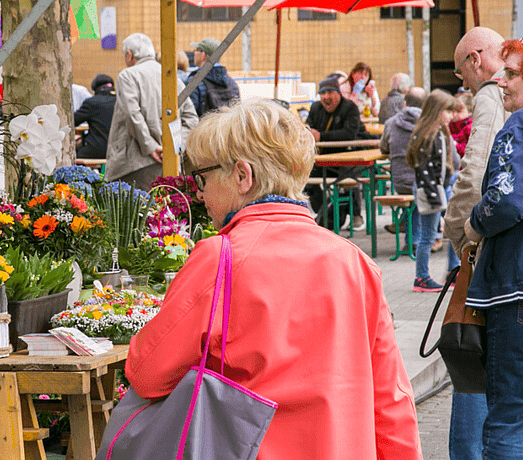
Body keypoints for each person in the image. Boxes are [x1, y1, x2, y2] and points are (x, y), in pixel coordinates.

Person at [126, 100, 421, 459]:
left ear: (241, 175)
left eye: (203, 177)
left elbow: (147, 372)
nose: (199, 193)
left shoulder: (219, 258)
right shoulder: (355, 262)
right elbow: (391, 401)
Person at [443, 27, 508, 459]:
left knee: (468, 349)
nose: (461, 82)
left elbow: (474, 171)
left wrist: (458, 230)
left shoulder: (491, 94)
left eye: (460, 69)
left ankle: (466, 453)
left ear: (477, 59)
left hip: (488, 250)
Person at [461, 38, 523, 459]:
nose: (503, 82)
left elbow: (507, 198)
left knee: (509, 415)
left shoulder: (516, 127)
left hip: (514, 288)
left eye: (514, 74)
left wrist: (473, 224)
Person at [105, 33, 198, 190]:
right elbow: (191, 119)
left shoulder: (127, 76)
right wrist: (174, 146)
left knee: (136, 210)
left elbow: (132, 114)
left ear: (129, 54)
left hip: (134, 162)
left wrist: (151, 147)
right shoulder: (171, 77)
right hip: (169, 161)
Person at [405, 90, 459, 292]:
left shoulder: (438, 131)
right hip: (433, 190)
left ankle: (452, 271)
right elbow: (425, 171)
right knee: (428, 236)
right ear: (437, 110)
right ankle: (421, 277)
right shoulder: (428, 134)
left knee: (452, 229)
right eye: (448, 111)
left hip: (439, 188)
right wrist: (434, 195)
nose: (451, 115)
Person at [305, 74, 365, 229]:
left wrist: (321, 136)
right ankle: (326, 215)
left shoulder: (350, 108)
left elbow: (349, 134)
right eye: (322, 93)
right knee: (307, 181)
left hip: (347, 157)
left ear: (338, 94)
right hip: (323, 159)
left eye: (330, 93)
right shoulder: (315, 108)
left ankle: (356, 214)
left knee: (349, 180)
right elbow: (308, 127)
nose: (326, 97)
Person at [379, 87, 426, 245]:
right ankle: (420, 239)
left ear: (405, 104)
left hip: (399, 182)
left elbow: (383, 147)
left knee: (416, 192)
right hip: (423, 182)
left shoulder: (391, 122)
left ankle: (408, 232)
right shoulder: (429, 122)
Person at [186, 37, 240, 117]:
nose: (194, 53)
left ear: (203, 55)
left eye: (196, 50)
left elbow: (189, 115)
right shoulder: (232, 83)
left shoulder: (194, 82)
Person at [74, 74, 116, 159]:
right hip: (118, 150)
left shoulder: (91, 103)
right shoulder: (120, 101)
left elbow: (74, 121)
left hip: (96, 150)